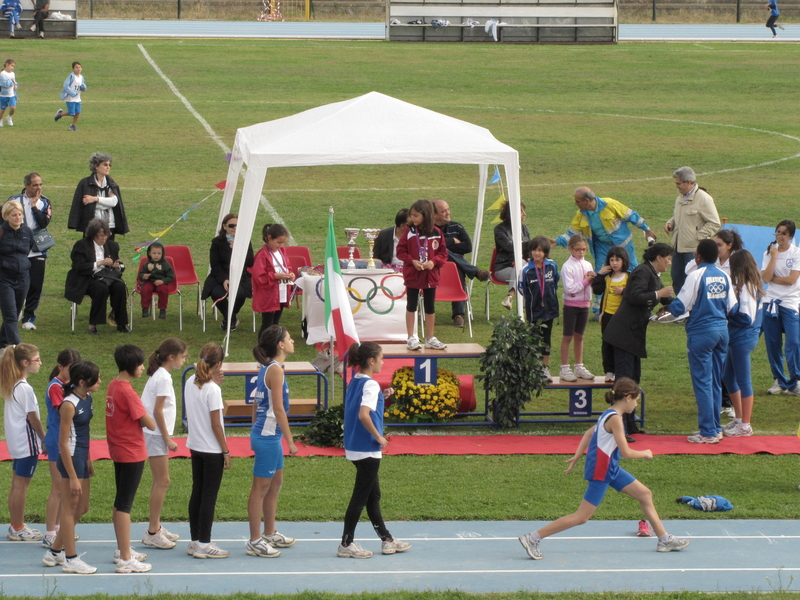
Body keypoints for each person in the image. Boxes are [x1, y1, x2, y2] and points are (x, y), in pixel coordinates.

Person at [518, 378, 690, 560]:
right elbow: (626, 452)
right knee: (582, 517)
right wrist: (645, 453)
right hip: (602, 471)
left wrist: (577, 456)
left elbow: (589, 433)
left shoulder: (608, 414)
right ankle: (533, 538)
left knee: (644, 494)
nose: (636, 405)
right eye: (637, 401)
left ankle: (664, 539)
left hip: (610, 468)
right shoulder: (615, 419)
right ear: (628, 397)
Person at [339, 341, 411, 559]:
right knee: (361, 498)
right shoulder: (370, 385)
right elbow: (363, 414)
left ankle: (387, 540)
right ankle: (346, 543)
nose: (383, 362)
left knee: (372, 496)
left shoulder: (357, 380)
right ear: (371, 361)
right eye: (381, 358)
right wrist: (378, 436)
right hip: (367, 448)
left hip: (355, 446)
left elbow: (361, 407)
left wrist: (382, 396)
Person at [667, 239, 736, 444]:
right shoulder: (724, 275)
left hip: (702, 333)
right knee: (715, 381)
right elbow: (733, 307)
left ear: (698, 256)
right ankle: (714, 427)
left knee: (703, 382)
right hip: (722, 331)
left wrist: (667, 306)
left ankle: (708, 431)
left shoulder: (695, 275)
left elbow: (680, 306)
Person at [602, 243, 674, 436]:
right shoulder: (643, 271)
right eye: (668, 258)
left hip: (632, 336)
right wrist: (659, 294)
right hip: (623, 334)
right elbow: (633, 295)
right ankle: (620, 427)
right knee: (624, 383)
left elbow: (668, 301)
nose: (669, 263)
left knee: (633, 381)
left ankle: (630, 425)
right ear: (659, 257)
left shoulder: (653, 275)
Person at [554, 187, 655, 317]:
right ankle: (600, 310)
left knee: (633, 272)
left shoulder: (610, 204)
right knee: (601, 273)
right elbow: (571, 233)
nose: (575, 204)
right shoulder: (581, 214)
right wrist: (556, 241)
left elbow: (631, 215)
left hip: (624, 247)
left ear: (586, 200)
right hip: (602, 247)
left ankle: (641, 305)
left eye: (577, 201)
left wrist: (646, 229)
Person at [42, 360, 101, 574]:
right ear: (83, 381)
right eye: (97, 378)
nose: (100, 382)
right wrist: (73, 476)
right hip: (70, 459)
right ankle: (70, 558)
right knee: (68, 509)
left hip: (81, 457)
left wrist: (88, 460)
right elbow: (63, 443)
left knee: (82, 507)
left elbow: (84, 433)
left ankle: (55, 550)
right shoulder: (69, 404)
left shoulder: (88, 398)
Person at [246, 325, 299, 558]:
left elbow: (256, 403)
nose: (293, 341)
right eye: (289, 338)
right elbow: (278, 409)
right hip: (268, 437)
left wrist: (254, 429)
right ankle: (254, 541)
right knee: (260, 488)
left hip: (268, 436)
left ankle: (269, 532)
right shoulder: (275, 370)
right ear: (280, 345)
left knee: (276, 483)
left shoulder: (268, 368)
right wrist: (291, 441)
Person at [106, 344, 155, 573]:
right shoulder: (127, 391)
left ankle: (122, 548)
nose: (143, 367)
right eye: (140, 364)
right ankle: (126, 558)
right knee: (125, 505)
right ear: (132, 366)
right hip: (131, 452)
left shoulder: (113, 385)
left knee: (119, 501)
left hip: (118, 450)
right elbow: (149, 422)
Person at [140, 337, 188, 550]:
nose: (184, 361)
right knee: (163, 481)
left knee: (161, 481)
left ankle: (156, 526)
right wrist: (167, 437)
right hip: (156, 434)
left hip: (155, 433)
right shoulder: (163, 378)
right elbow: (158, 410)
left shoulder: (160, 375)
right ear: (172, 356)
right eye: (183, 356)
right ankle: (152, 531)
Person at [184, 342, 231, 559]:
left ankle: (195, 540)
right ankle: (205, 543)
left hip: (195, 446)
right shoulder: (213, 389)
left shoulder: (189, 382)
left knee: (197, 492)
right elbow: (216, 424)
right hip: (212, 450)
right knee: (209, 496)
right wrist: (226, 451)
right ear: (219, 364)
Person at [2, 343, 45, 542]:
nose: (40, 363)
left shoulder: (13, 384)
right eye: (37, 360)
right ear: (25, 362)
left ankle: (15, 525)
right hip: (27, 444)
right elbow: (34, 419)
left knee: (16, 485)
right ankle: (18, 527)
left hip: (17, 442)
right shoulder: (24, 388)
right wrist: (44, 439)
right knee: (21, 486)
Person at [396, 199, 449, 351]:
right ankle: (411, 337)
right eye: (411, 215)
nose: (412, 218)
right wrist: (412, 261)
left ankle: (430, 338)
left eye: (415, 215)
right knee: (411, 305)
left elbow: (443, 253)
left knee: (430, 307)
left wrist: (434, 262)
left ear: (425, 215)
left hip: (430, 276)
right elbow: (400, 251)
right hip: (413, 274)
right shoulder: (409, 232)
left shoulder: (437, 233)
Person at [42, 348, 81, 549]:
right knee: (58, 488)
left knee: (63, 489)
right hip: (57, 441)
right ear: (60, 367)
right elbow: (64, 412)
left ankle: (58, 529)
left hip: (65, 441)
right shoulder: (56, 387)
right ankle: (50, 532)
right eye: (69, 369)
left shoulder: (67, 385)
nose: (72, 373)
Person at [721, 251, 763, 438]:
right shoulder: (744, 285)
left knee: (743, 381)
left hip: (743, 338)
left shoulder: (747, 287)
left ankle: (745, 424)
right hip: (737, 337)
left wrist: (730, 313)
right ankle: (739, 419)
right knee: (728, 376)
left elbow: (747, 318)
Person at [64, 218, 130, 335]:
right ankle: (93, 324)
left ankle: (122, 323)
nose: (104, 238)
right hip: (87, 277)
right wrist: (99, 263)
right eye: (100, 236)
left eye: (106, 235)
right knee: (101, 289)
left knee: (120, 286)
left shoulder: (112, 245)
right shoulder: (81, 245)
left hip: (108, 276)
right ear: (93, 235)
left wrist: (118, 266)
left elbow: (122, 265)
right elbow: (79, 267)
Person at [5, 173, 53, 331]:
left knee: (36, 284)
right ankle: (16, 310)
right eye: (35, 185)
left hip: (38, 248)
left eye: (40, 184)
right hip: (17, 248)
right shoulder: (14, 200)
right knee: (15, 281)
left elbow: (44, 222)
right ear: (26, 185)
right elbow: (3, 219)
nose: (38, 187)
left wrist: (34, 206)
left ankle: (29, 317)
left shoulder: (44, 202)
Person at [432, 199, 489, 328]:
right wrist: (452, 240)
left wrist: (442, 245)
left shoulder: (456, 226)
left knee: (455, 267)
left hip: (454, 267)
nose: (448, 212)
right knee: (444, 252)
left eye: (448, 209)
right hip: (434, 266)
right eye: (443, 211)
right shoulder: (429, 229)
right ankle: (474, 271)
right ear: (434, 215)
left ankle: (459, 315)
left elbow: (468, 247)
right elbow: (431, 246)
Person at [664, 167, 720, 296]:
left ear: (688, 182)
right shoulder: (680, 198)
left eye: (678, 183)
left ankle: (693, 311)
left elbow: (715, 223)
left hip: (693, 250)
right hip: (677, 248)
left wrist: (698, 236)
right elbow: (678, 215)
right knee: (677, 279)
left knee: (693, 281)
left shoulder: (704, 198)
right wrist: (670, 222)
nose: (676, 187)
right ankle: (681, 310)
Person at [760, 220, 800, 396]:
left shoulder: (797, 253)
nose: (779, 236)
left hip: (790, 302)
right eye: (777, 232)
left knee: (793, 342)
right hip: (771, 302)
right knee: (773, 343)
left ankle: (795, 380)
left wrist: (773, 278)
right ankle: (779, 380)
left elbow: (791, 280)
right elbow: (765, 278)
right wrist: (774, 256)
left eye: (783, 233)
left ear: (790, 235)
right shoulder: (769, 253)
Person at [201, 212, 254, 333]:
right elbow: (215, 265)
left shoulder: (245, 241)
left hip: (240, 276)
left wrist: (239, 250)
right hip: (220, 276)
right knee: (216, 293)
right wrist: (224, 279)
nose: (234, 228)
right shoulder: (217, 242)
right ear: (224, 227)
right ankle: (231, 319)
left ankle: (229, 320)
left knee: (240, 294)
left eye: (237, 225)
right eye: (231, 225)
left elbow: (250, 262)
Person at [518, 236, 560, 382]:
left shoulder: (552, 266)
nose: (537, 253)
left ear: (546, 252)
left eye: (540, 251)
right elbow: (521, 288)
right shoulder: (525, 270)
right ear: (530, 251)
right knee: (534, 339)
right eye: (535, 250)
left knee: (546, 338)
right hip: (533, 310)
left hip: (550, 309)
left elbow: (555, 282)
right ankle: (533, 368)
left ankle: (545, 368)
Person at [591, 246, 631, 386]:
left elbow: (634, 295)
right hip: (607, 315)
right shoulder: (608, 277)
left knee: (618, 344)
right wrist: (600, 275)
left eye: (617, 260)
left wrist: (624, 291)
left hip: (621, 317)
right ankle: (609, 370)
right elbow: (597, 289)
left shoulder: (629, 277)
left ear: (624, 261)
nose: (614, 263)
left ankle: (619, 370)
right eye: (612, 260)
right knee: (606, 344)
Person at [559, 234, 596, 382]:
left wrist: (593, 280)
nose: (581, 252)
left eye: (584, 250)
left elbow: (590, 284)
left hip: (585, 304)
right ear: (570, 249)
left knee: (580, 336)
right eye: (578, 249)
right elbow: (569, 289)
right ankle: (564, 368)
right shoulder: (567, 266)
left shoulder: (587, 264)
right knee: (568, 336)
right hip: (571, 306)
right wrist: (586, 281)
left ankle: (579, 366)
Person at [68, 152, 129, 237]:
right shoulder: (85, 183)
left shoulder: (111, 183)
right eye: (105, 164)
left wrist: (95, 199)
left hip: (109, 225)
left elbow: (114, 202)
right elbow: (88, 206)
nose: (108, 167)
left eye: (109, 165)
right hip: (92, 226)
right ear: (96, 166)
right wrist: (106, 203)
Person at [250, 223, 294, 340]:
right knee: (267, 323)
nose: (281, 245)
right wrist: (275, 276)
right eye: (278, 242)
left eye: (283, 243)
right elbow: (259, 276)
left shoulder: (282, 252)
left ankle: (272, 344)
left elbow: (287, 266)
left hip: (281, 292)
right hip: (269, 295)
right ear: (269, 238)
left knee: (276, 322)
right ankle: (263, 345)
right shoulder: (262, 255)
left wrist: (290, 274)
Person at [0, 200, 34, 347]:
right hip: (4, 279)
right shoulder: (1, 232)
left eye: (20, 214)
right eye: (14, 215)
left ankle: (2, 343)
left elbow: (29, 249)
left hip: (23, 279)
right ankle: (17, 348)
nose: (18, 217)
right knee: (11, 316)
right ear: (6, 216)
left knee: (15, 312)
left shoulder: (27, 232)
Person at [495, 200, 530, 310]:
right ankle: (524, 308)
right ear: (511, 213)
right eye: (521, 211)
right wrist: (530, 244)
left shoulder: (524, 229)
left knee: (523, 268)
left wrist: (529, 257)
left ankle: (510, 297)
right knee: (522, 268)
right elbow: (510, 246)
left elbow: (528, 251)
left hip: (520, 267)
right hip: (503, 268)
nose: (524, 214)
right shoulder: (499, 229)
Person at [138, 242, 175, 320]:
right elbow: (141, 274)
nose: (156, 255)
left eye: (159, 253)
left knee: (163, 290)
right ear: (149, 253)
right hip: (149, 282)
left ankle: (162, 310)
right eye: (154, 253)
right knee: (145, 289)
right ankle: (145, 308)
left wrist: (163, 281)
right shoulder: (146, 264)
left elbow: (171, 276)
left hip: (161, 282)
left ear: (162, 254)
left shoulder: (165, 264)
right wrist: (144, 276)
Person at [55, 62, 86, 132]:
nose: (78, 69)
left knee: (78, 112)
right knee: (71, 113)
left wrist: (83, 87)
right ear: (73, 69)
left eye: (80, 67)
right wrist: (72, 93)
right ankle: (60, 114)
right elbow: (66, 85)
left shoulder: (81, 77)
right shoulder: (71, 76)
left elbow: (82, 85)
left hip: (78, 98)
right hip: (70, 98)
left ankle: (73, 125)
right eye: (76, 67)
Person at [0, 58, 17, 123]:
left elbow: (14, 81)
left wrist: (15, 84)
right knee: (2, 109)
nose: (12, 68)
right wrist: (13, 82)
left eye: (13, 66)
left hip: (11, 94)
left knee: (13, 107)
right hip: (3, 95)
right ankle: (0, 120)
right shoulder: (2, 74)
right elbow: (5, 84)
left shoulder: (12, 74)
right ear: (7, 65)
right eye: (11, 66)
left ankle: (9, 117)